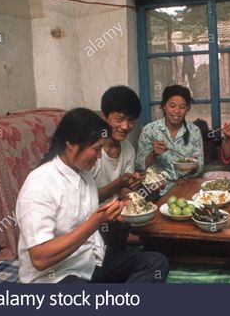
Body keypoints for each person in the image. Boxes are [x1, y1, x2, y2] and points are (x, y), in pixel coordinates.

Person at [16, 108, 168, 283]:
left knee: (155, 262)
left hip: (89, 262)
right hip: (57, 276)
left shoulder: (83, 175)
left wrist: (117, 210)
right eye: (96, 149)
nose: (98, 157)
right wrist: (96, 221)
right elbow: (40, 259)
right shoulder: (40, 184)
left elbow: (85, 212)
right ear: (71, 144)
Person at [136, 84, 204, 195]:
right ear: (164, 106)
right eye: (172, 106)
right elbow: (139, 166)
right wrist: (153, 154)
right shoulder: (150, 130)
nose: (177, 111)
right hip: (156, 189)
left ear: (187, 109)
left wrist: (193, 164)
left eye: (182, 107)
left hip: (186, 186)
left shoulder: (194, 131)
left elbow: (200, 165)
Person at [91, 86, 143, 202]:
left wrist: (133, 189)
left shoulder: (128, 149)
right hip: (93, 216)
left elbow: (123, 191)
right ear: (104, 116)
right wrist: (118, 184)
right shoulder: (91, 150)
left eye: (131, 120)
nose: (125, 126)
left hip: (117, 211)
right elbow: (84, 199)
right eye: (119, 119)